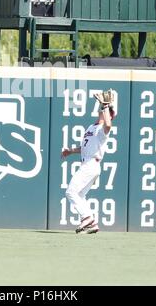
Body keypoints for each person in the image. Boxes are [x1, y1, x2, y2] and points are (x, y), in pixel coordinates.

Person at [61, 90, 115, 235]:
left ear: (110, 115)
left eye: (108, 111)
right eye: (103, 109)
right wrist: (71, 151)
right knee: (79, 195)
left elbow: (108, 126)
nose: (103, 111)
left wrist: (105, 107)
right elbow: (85, 147)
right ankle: (92, 224)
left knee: (71, 192)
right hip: (88, 164)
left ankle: (87, 217)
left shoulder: (103, 130)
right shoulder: (92, 127)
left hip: (91, 164)